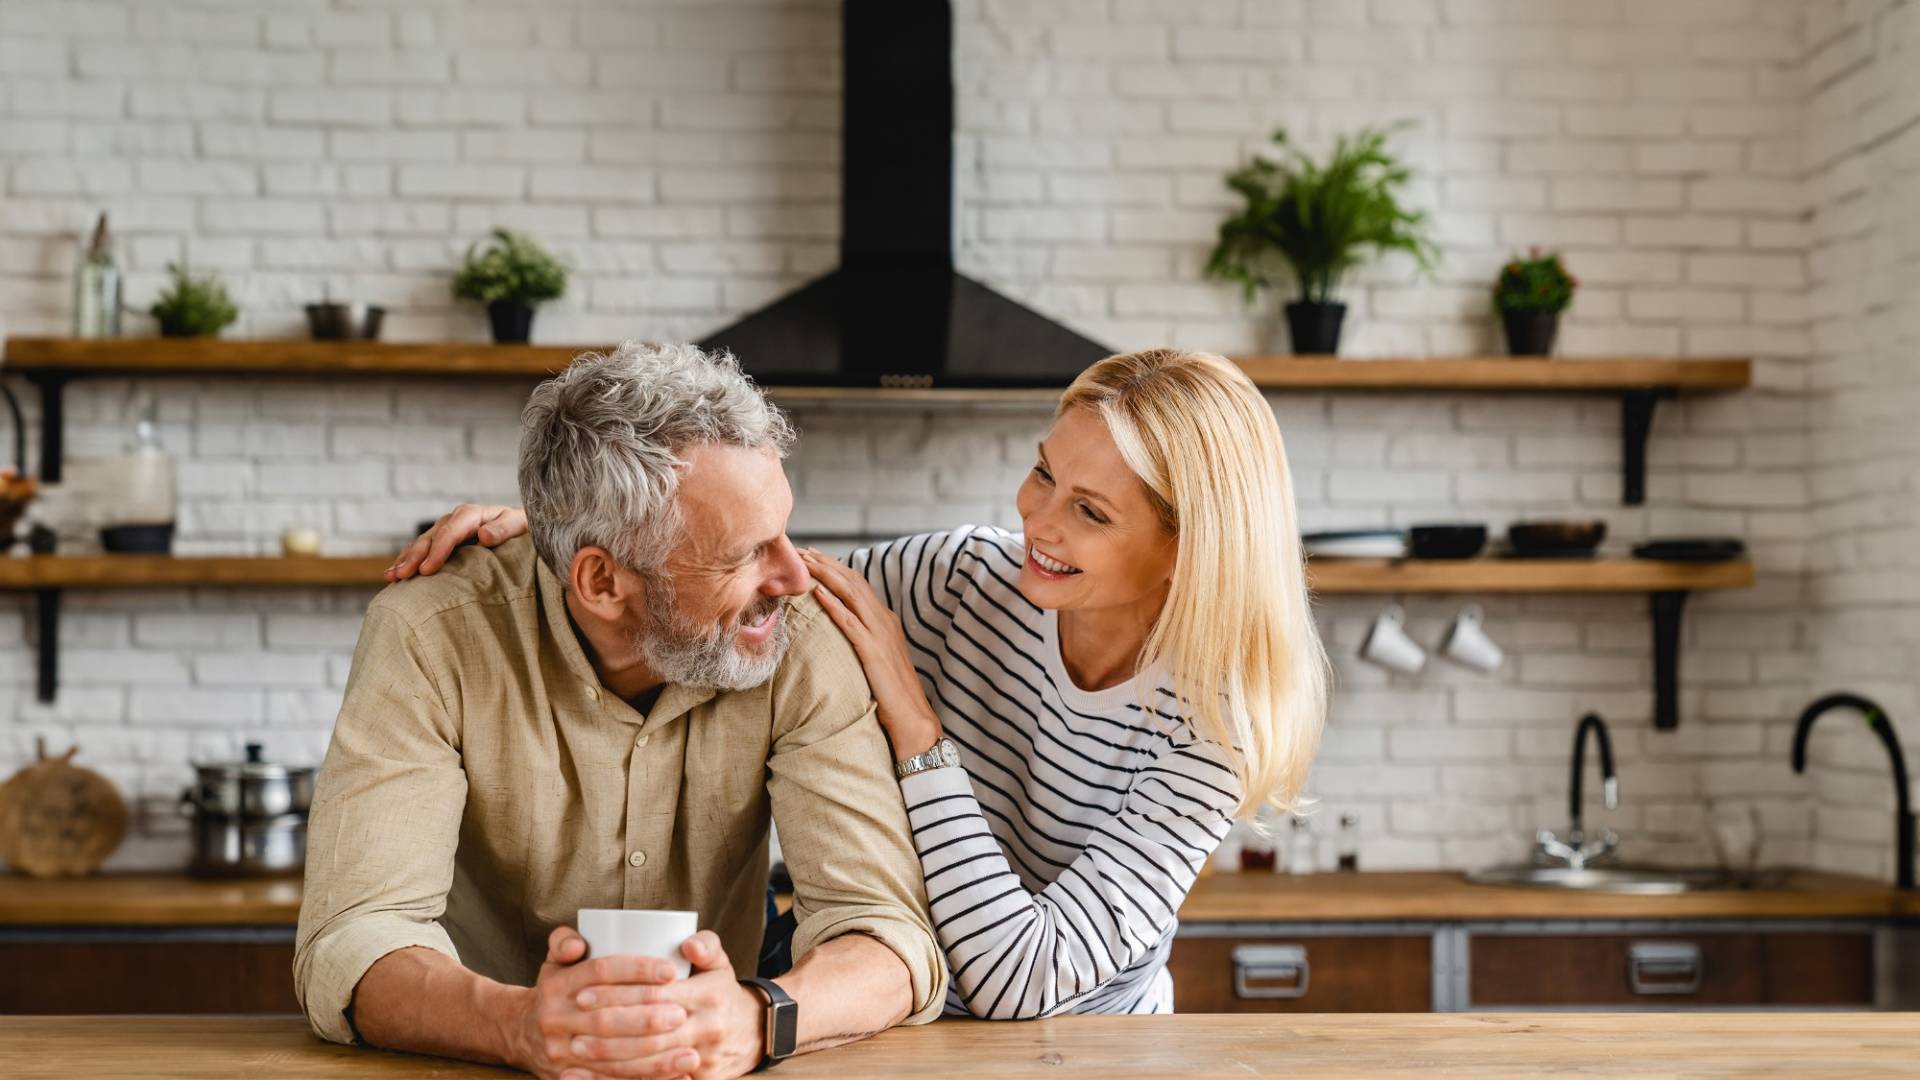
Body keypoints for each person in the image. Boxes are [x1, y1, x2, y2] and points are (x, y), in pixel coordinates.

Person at [392, 347, 1328, 1019]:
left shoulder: (1215, 727)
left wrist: (917, 729)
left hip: (1081, 1048)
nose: (1037, 520)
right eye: (1042, 473)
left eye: (1089, 511)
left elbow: (1023, 978)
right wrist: (576, 528)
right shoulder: (964, 577)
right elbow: (735, 576)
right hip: (887, 1021)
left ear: (1189, 550)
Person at [297, 343, 946, 1080]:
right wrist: (516, 1026)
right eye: (743, 554)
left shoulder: (796, 636)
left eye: (785, 532)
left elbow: (888, 938)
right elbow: (353, 941)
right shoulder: (431, 633)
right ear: (601, 582)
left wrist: (758, 1019)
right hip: (471, 1063)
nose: (794, 575)